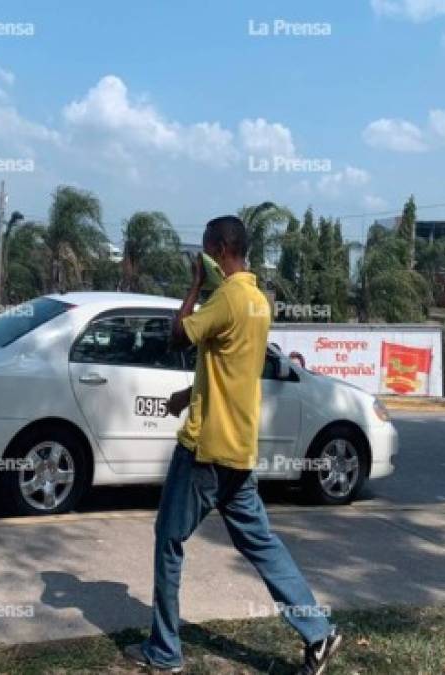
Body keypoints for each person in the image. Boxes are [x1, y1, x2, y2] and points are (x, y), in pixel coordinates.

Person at [124, 216, 342, 675]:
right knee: (262, 544)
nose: (201, 258)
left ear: (219, 250)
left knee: (168, 541)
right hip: (240, 447)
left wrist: (195, 287)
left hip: (204, 450)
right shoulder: (259, 302)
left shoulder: (225, 296)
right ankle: (318, 631)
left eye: (204, 250)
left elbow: (177, 334)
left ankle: (164, 651)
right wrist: (188, 396)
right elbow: (229, 367)